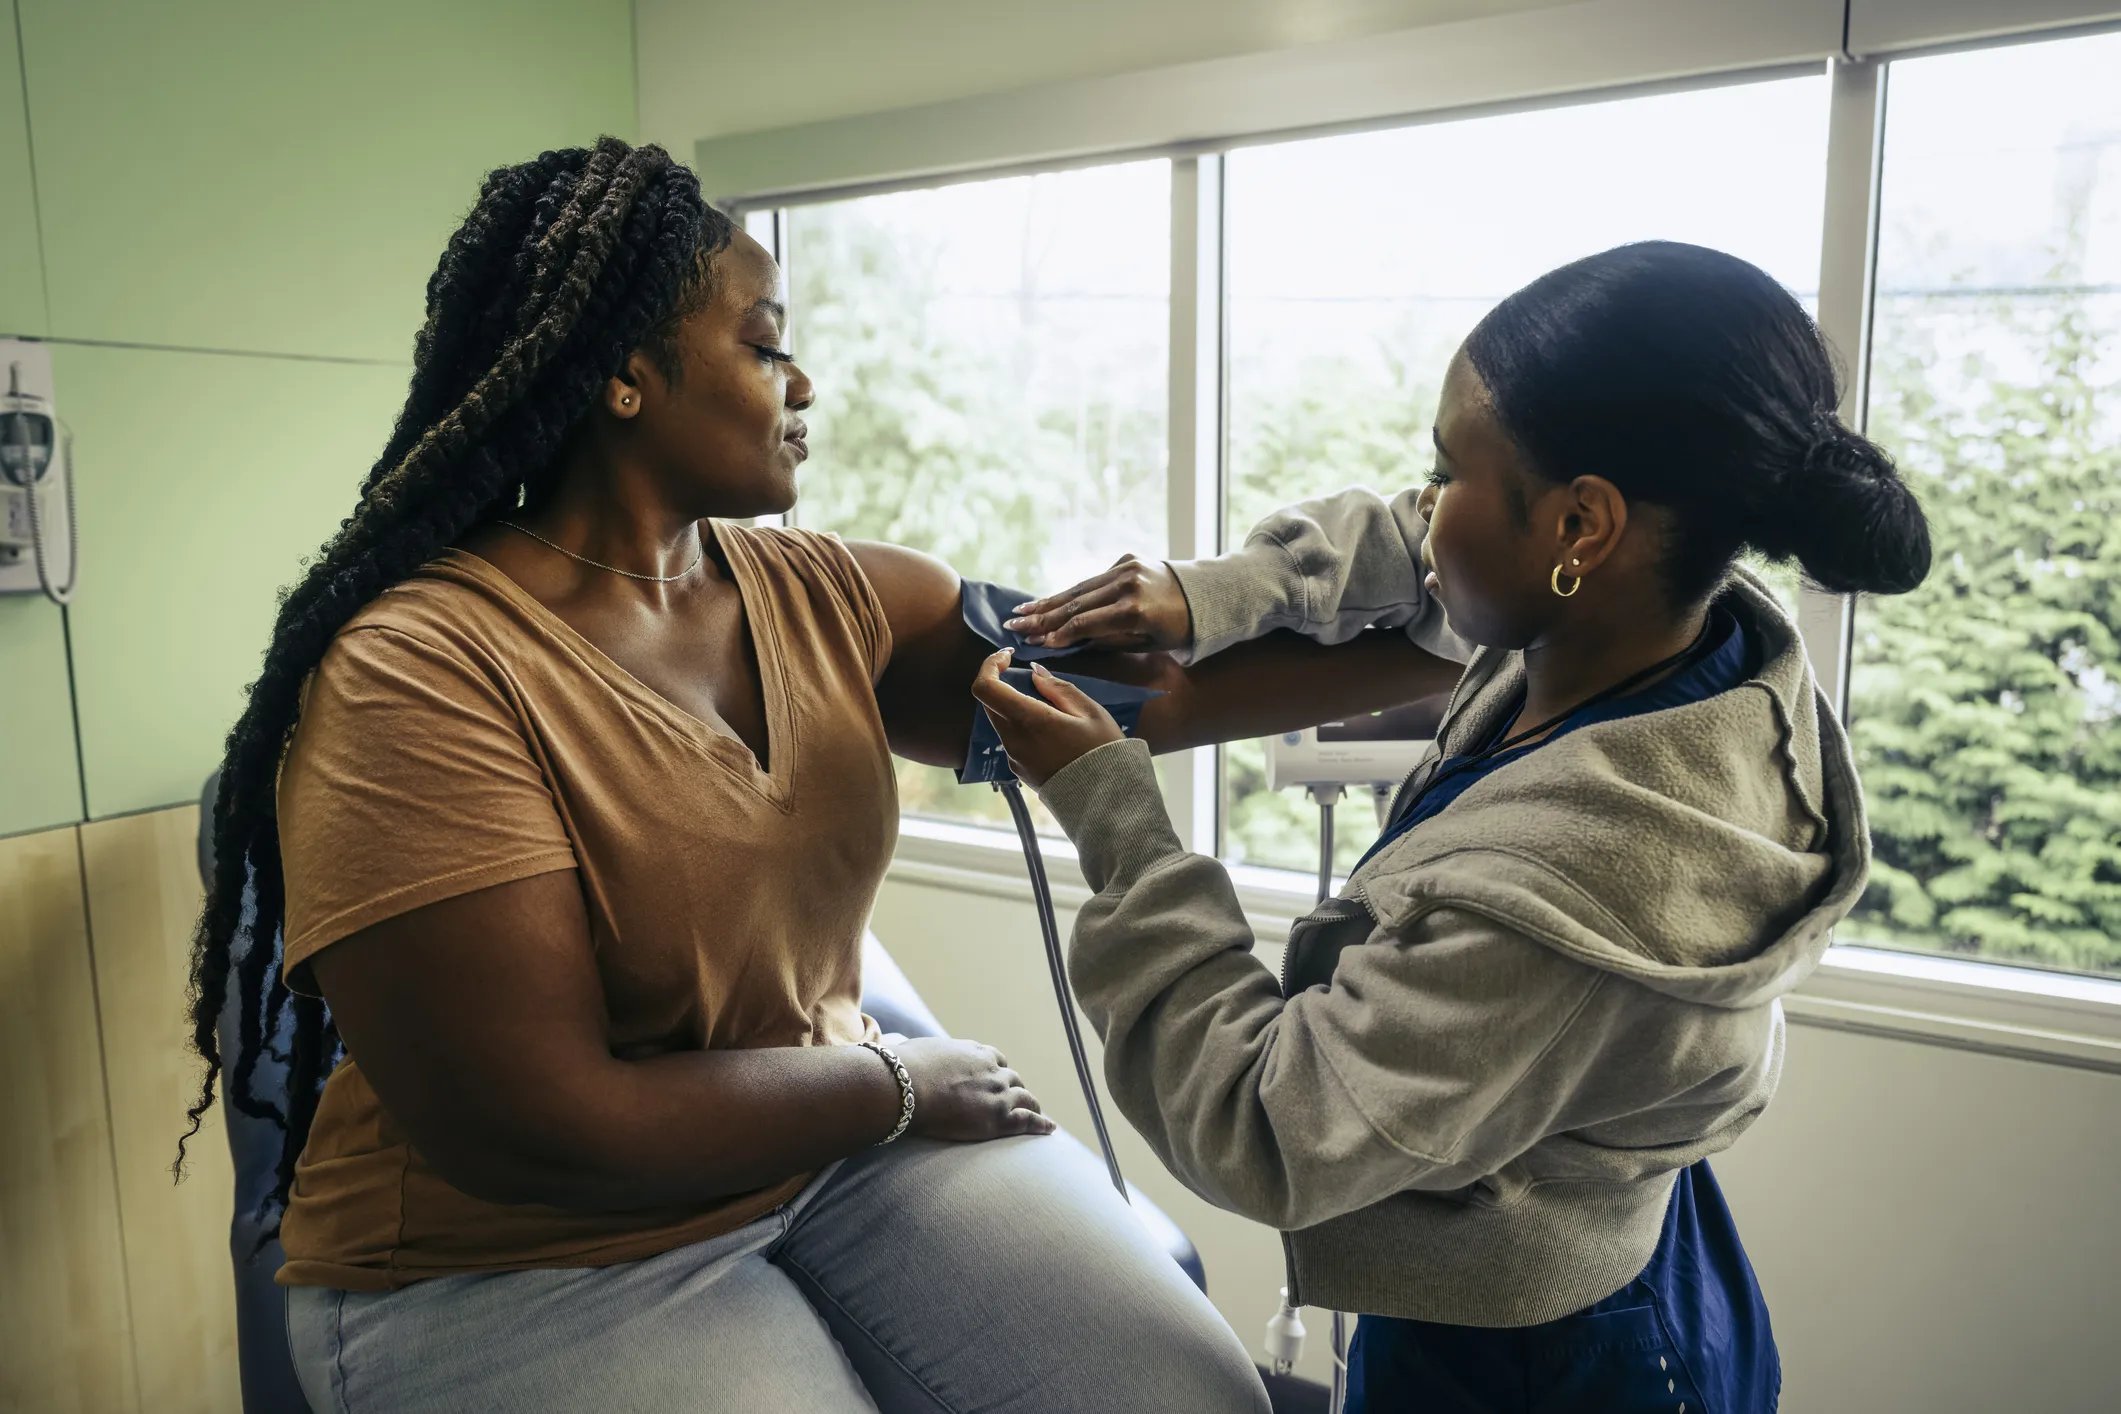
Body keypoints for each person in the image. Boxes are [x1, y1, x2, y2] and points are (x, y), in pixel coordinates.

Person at [176, 138, 1465, 1412]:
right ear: (626, 373)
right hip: (518, 1252)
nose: (804, 384)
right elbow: (539, 1125)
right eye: (765, 342)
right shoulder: (421, 671)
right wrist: (898, 1078)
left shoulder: (832, 594)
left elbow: (1155, 692)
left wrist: (1475, 624)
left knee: (1194, 1394)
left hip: (830, 1157)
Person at [978, 240, 1932, 1413]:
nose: (1422, 508)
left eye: (1446, 471)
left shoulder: (1583, 884)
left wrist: (1115, 817)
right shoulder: (1673, 626)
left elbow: (1265, 1122)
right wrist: (1214, 590)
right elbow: (1424, 549)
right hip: (1615, 1268)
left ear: (1583, 526)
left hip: (1544, 1365)